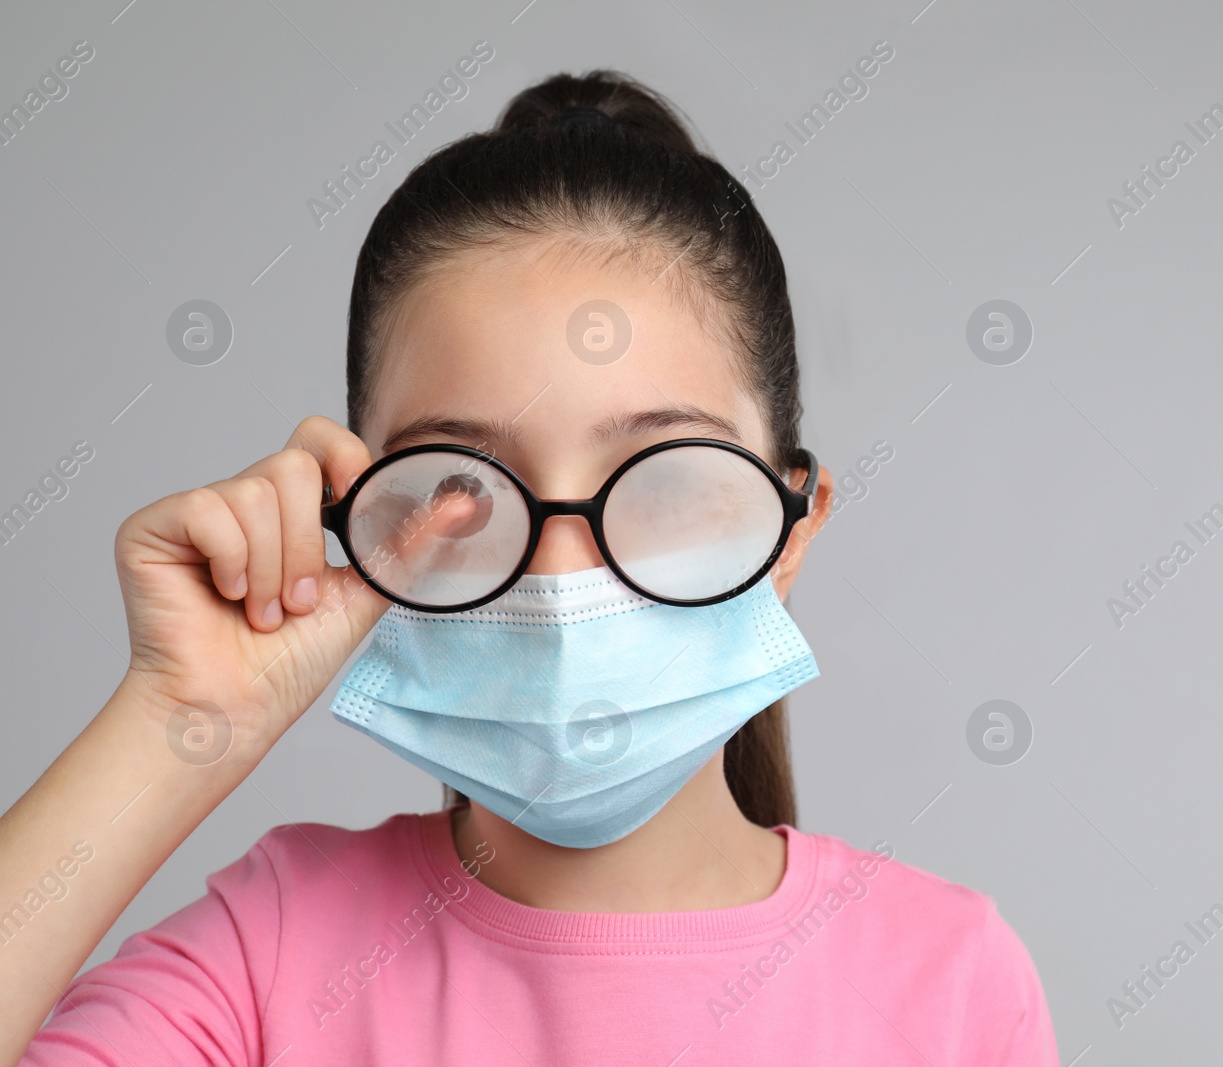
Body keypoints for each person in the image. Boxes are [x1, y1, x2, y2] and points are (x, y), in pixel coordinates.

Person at [0, 70, 1057, 1065]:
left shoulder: (949, 983)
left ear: (790, 526)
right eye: (464, 490)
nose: (557, 576)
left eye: (661, 480)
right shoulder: (272, 955)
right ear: (363, 522)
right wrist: (174, 720)